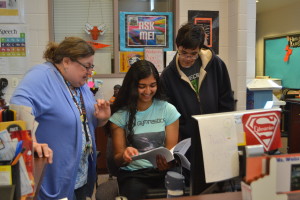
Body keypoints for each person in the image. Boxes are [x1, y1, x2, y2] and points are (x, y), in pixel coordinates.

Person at [10, 37, 111, 200]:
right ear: (66, 62)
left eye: (91, 66)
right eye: (86, 66)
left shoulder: (79, 83)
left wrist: (102, 118)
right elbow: (17, 107)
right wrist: (31, 142)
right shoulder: (41, 76)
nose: (90, 72)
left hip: (80, 176)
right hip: (54, 177)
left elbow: (82, 122)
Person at [160, 22, 235, 192]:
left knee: (218, 185)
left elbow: (227, 100)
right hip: (188, 142)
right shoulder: (168, 76)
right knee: (194, 186)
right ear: (177, 47)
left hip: (216, 136)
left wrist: (225, 131)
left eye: (193, 54)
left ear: (200, 48)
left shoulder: (215, 64)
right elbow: (170, 115)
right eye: (183, 53)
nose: (187, 58)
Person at [109, 60, 181, 200]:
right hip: (134, 175)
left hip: (163, 172)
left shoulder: (168, 110)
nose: (148, 91)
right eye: (142, 86)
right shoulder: (120, 116)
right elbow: (117, 159)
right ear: (132, 86)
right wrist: (125, 155)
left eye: (152, 85)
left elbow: (170, 151)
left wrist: (168, 162)